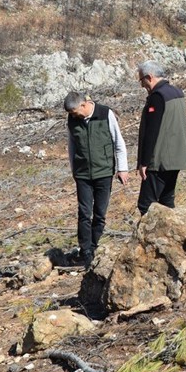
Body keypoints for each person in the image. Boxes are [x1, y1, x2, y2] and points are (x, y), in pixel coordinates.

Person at [64, 91, 129, 267]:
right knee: (84, 214)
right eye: (71, 114)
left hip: (104, 172)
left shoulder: (105, 114)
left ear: (84, 105)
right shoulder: (72, 120)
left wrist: (122, 168)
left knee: (99, 214)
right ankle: (85, 252)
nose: (73, 116)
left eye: (75, 112)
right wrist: (74, 170)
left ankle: (93, 246)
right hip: (83, 175)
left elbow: (118, 142)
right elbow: (71, 146)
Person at [135, 61, 186, 215]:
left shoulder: (158, 97)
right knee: (167, 201)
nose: (142, 85)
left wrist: (144, 162)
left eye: (142, 80)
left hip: (160, 161)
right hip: (177, 158)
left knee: (146, 205)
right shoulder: (176, 92)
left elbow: (152, 131)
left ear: (149, 77)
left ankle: (148, 238)